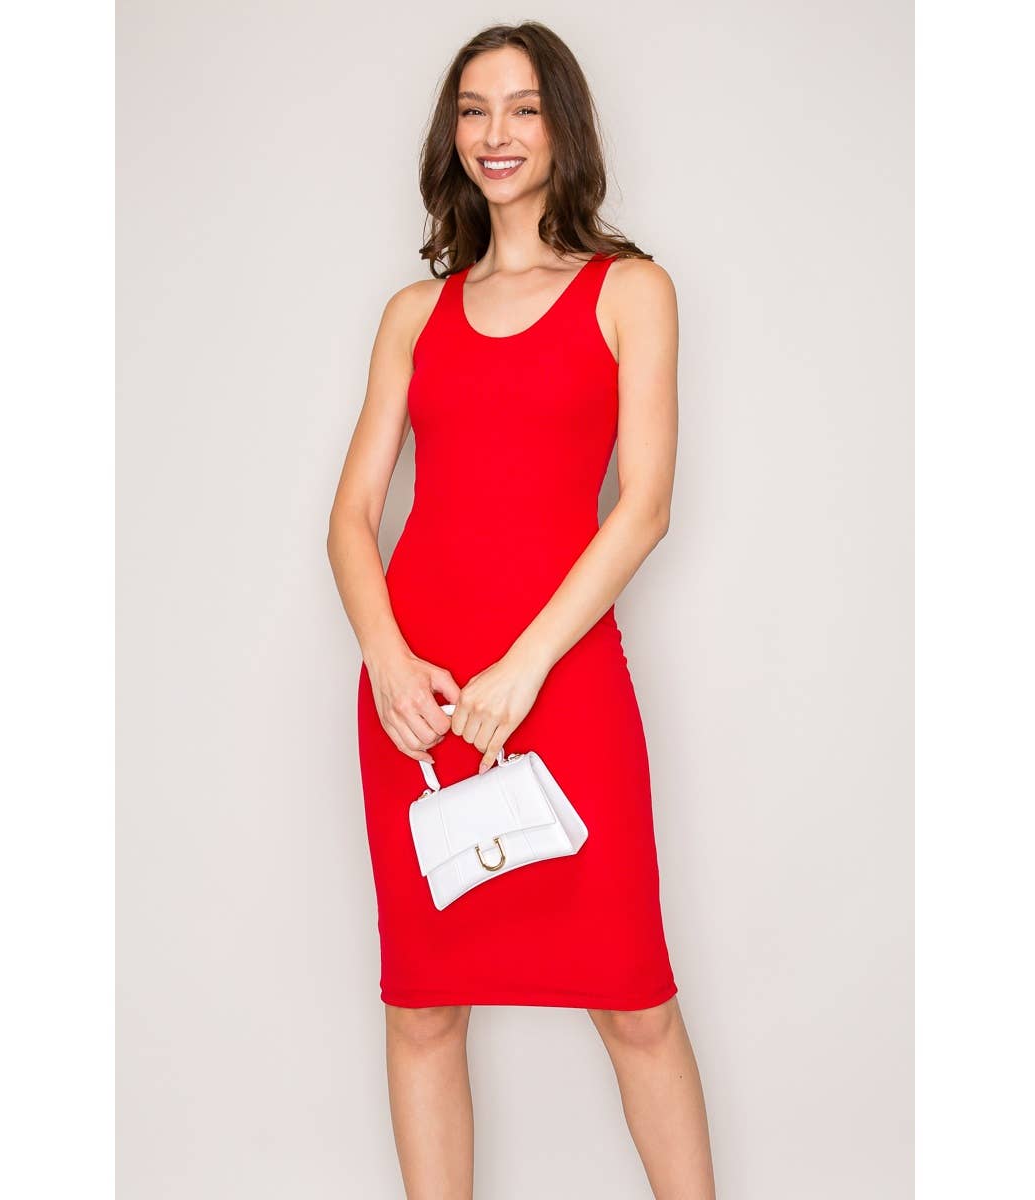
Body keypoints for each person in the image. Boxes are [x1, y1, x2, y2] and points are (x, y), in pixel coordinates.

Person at [327, 20, 718, 1199]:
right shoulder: (415, 312)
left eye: (522, 108)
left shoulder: (632, 292)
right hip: (420, 697)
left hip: (561, 679)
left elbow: (643, 508)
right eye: (473, 110)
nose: (494, 134)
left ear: (563, 128)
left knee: (635, 1002)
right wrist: (389, 662)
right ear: (452, 134)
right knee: (423, 1004)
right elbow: (351, 520)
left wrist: (525, 668)